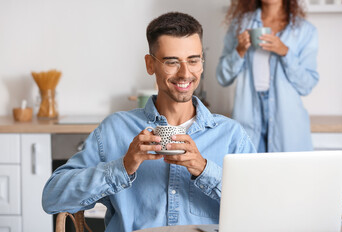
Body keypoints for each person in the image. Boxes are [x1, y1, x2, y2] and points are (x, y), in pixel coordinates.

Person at [42, 12, 256, 232]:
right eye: (172, 62)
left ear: (202, 63)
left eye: (193, 60)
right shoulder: (115, 129)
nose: (185, 73)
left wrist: (204, 170)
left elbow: (259, 207)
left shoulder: (231, 135)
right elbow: (52, 198)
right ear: (150, 64)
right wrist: (123, 167)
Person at [216, 0, 319, 152]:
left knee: (288, 176)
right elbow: (222, 77)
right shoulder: (240, 25)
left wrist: (285, 52)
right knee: (248, 175)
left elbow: (307, 85)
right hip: (247, 116)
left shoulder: (304, 30)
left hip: (288, 125)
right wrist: (240, 51)